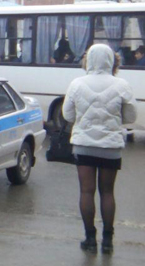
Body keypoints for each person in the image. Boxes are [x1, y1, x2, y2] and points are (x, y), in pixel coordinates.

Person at [62, 44, 137, 254]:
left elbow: (67, 116)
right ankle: (108, 241)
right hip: (110, 147)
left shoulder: (77, 84)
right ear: (112, 60)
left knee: (86, 191)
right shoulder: (121, 84)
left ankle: (89, 239)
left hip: (84, 145)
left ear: (89, 60)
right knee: (107, 192)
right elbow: (131, 118)